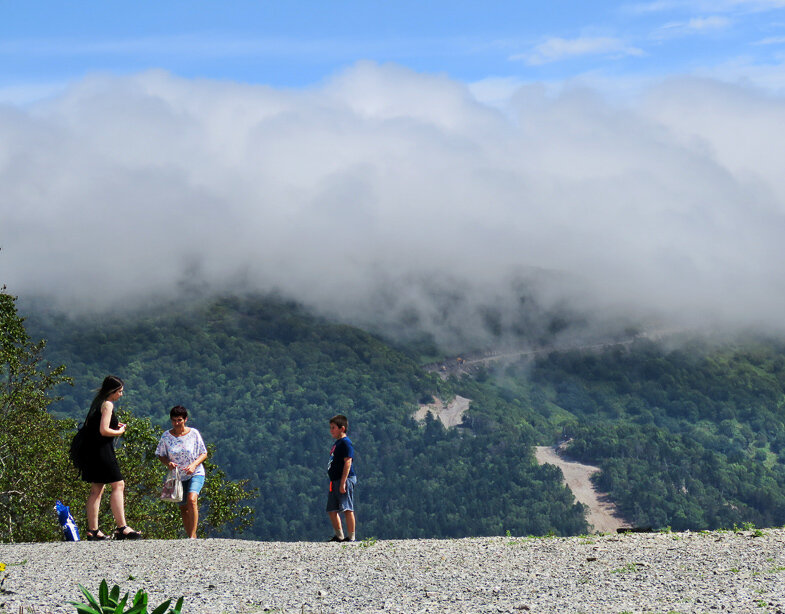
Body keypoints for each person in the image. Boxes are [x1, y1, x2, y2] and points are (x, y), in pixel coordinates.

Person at [69, 375, 142, 540]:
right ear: (113, 391)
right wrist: (119, 431)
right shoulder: (108, 404)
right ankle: (122, 527)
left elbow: (95, 427)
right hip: (102, 450)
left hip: (91, 450)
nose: (121, 395)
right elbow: (103, 431)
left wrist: (114, 426)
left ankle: (93, 530)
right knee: (118, 484)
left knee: (96, 489)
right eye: (120, 391)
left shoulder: (98, 402)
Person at [156, 405, 208, 538]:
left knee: (192, 499)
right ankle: (189, 535)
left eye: (179, 420)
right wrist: (168, 463)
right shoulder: (166, 436)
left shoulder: (194, 434)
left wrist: (193, 465)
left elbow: (203, 453)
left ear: (185, 419)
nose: (176, 423)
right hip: (178, 476)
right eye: (174, 420)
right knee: (183, 508)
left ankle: (192, 535)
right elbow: (160, 454)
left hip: (195, 472)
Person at [326, 414, 357, 542]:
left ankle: (351, 537)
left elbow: (348, 462)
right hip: (335, 480)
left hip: (345, 479)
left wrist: (343, 482)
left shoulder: (345, 443)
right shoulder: (337, 443)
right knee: (332, 509)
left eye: (333, 428)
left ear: (342, 428)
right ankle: (339, 535)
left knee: (347, 508)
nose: (331, 430)